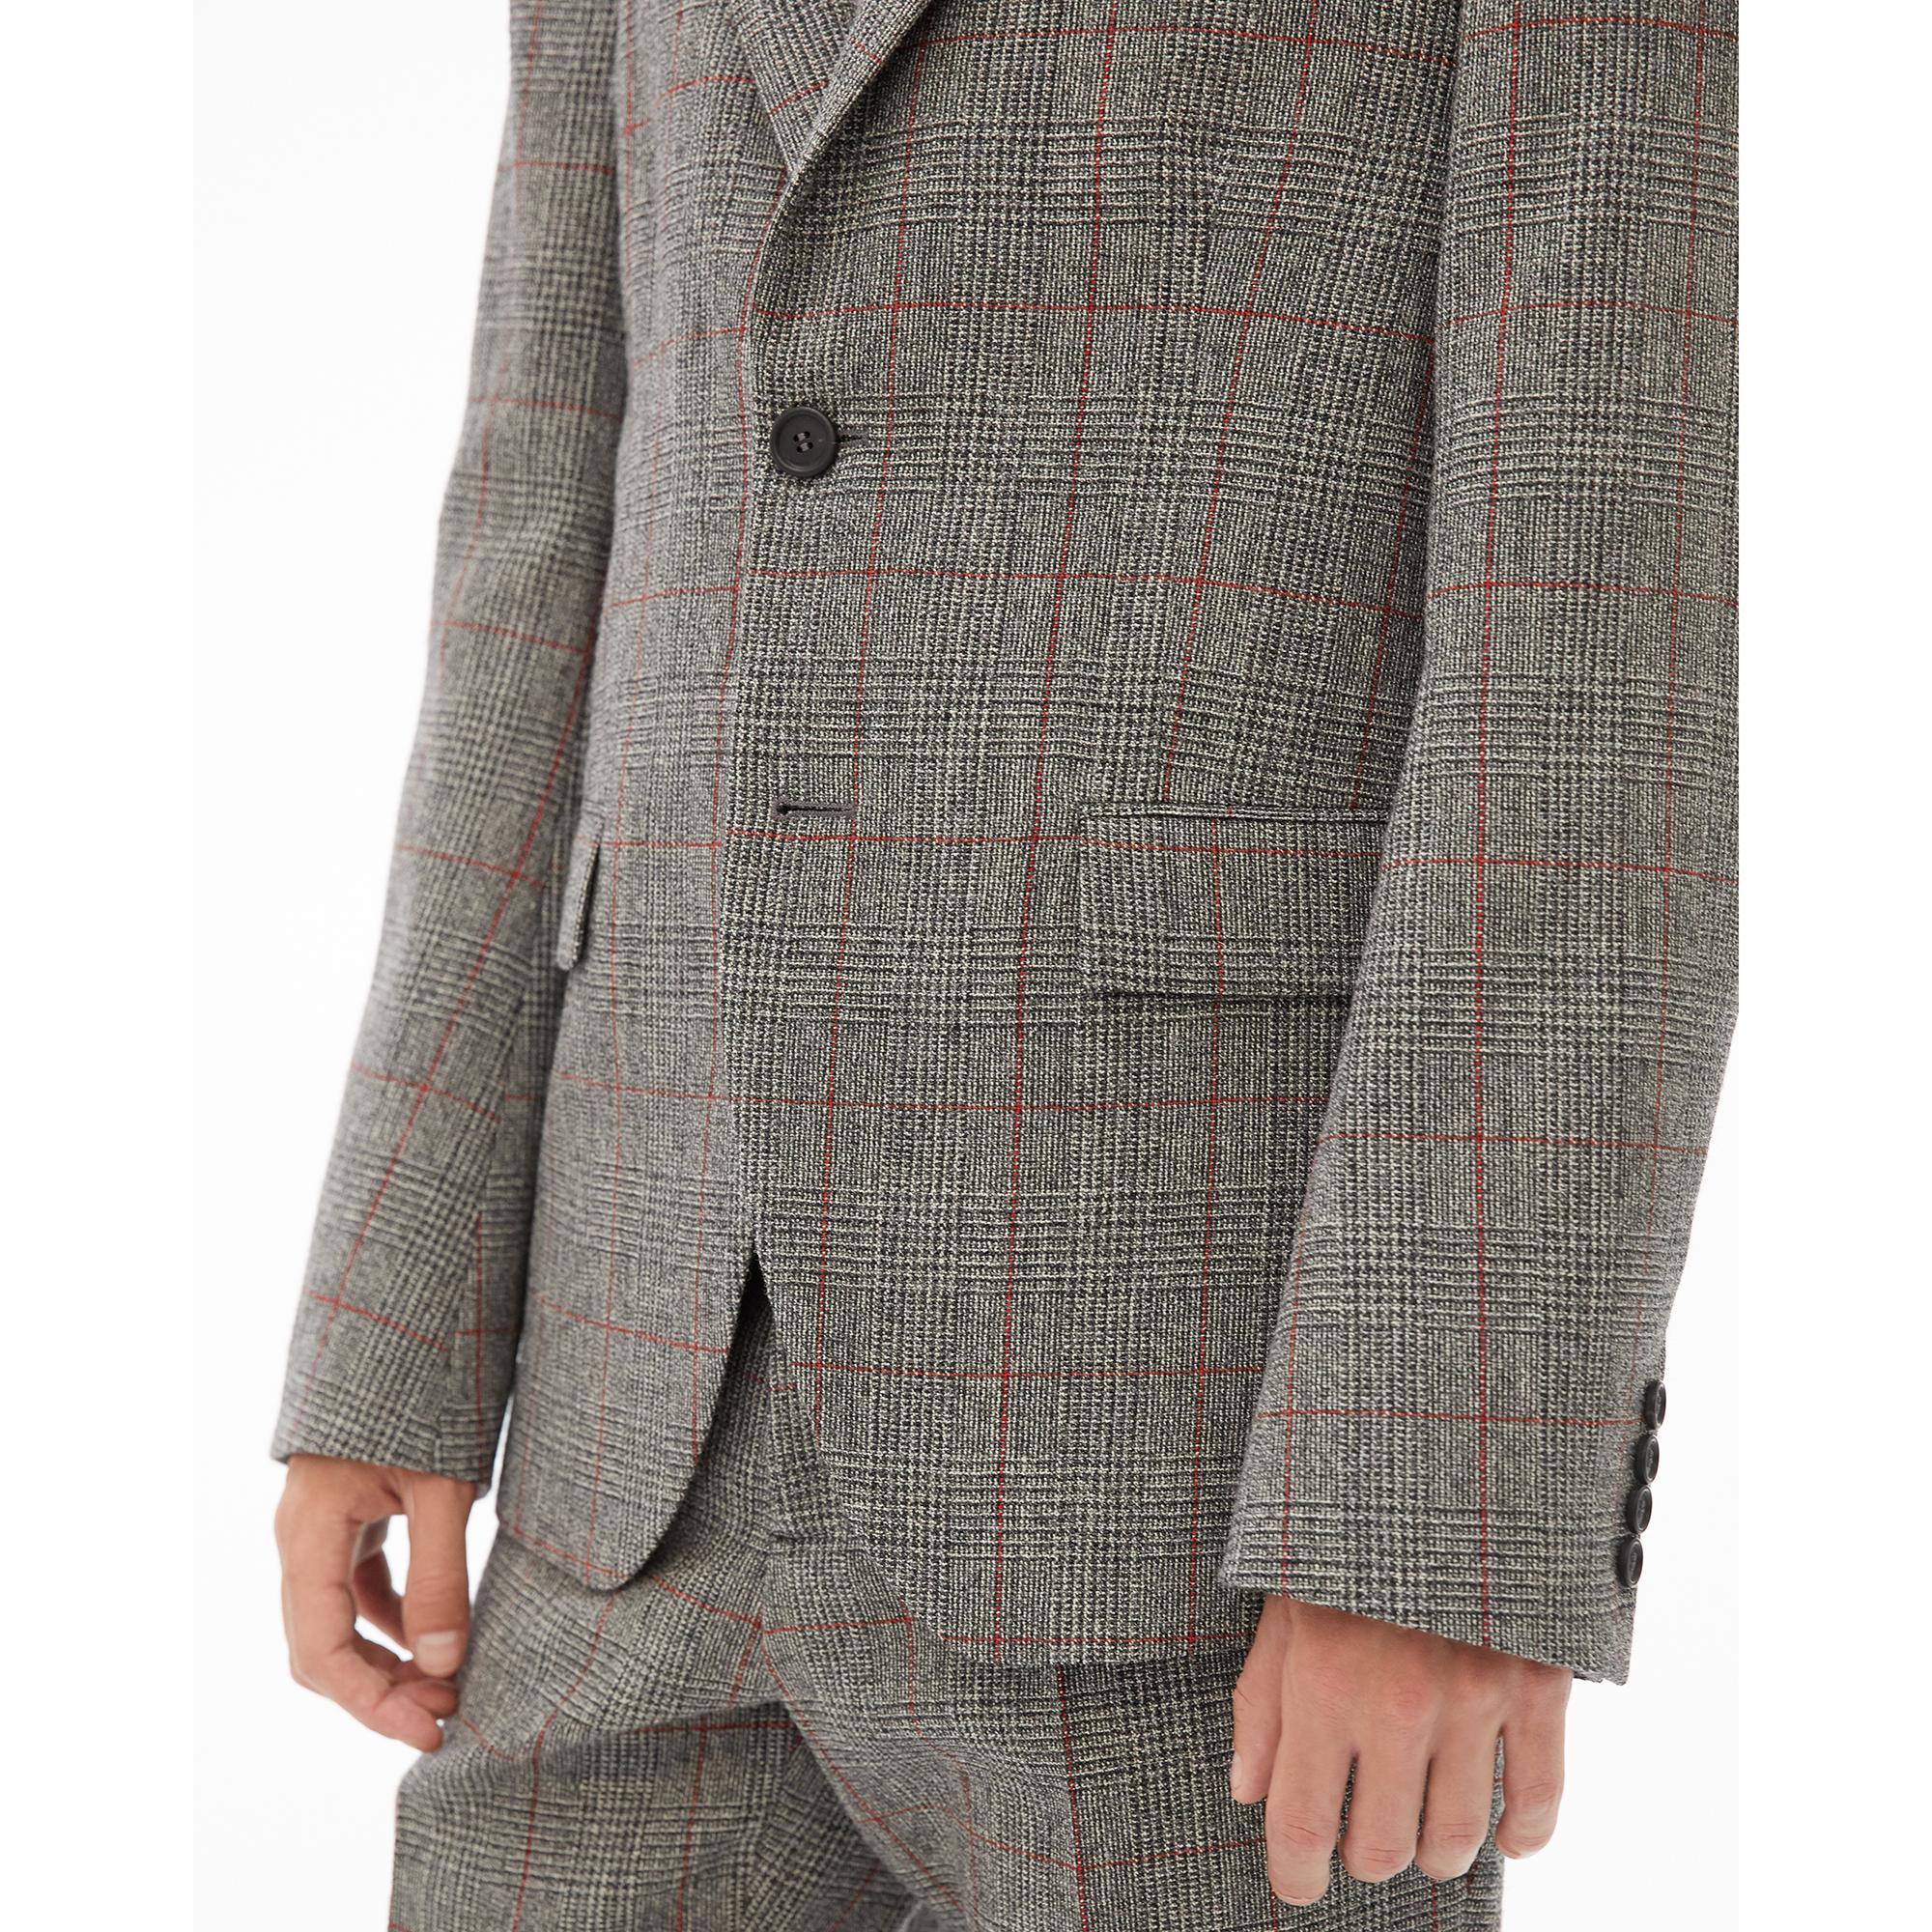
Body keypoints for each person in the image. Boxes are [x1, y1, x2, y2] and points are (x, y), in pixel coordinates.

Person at [271, 2, 1738, 1924]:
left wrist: (1431, 1506)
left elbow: (1595, 607)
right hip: (627, 1416)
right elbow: (542, 502)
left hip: (1191, 1454)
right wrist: (395, 1325)